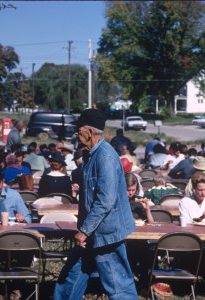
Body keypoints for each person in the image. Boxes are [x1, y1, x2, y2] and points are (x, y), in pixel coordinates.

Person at [53, 109, 138, 300]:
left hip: (106, 234)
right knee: (70, 277)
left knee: (117, 285)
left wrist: (84, 231)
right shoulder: (90, 155)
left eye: (78, 130)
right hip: (90, 231)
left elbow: (105, 201)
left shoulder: (105, 157)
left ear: (89, 132)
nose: (76, 133)